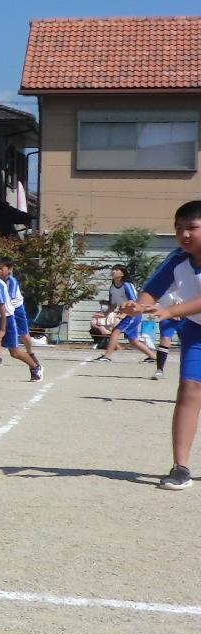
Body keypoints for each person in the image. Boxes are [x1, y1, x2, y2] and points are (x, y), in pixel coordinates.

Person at [122, 200, 201, 488]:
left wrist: (170, 312)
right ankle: (181, 467)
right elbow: (152, 292)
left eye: (192, 227)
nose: (184, 234)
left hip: (190, 318)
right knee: (189, 389)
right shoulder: (177, 259)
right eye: (179, 228)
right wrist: (137, 306)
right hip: (197, 332)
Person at [93, 264, 156, 365]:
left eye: (116, 270)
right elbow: (113, 305)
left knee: (115, 332)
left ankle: (107, 357)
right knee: (133, 340)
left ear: (122, 273)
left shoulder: (127, 285)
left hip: (133, 314)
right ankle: (152, 357)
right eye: (112, 270)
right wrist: (104, 314)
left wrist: (124, 312)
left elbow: (134, 301)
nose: (113, 271)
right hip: (128, 315)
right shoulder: (112, 288)